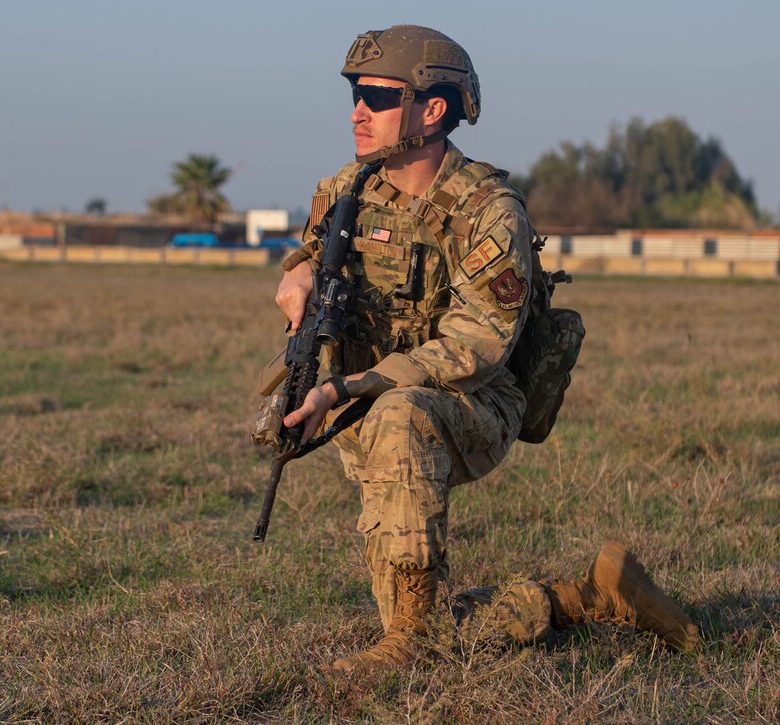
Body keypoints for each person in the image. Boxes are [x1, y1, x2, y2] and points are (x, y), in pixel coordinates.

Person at [273, 25, 698, 674]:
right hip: (364, 404)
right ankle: (591, 596)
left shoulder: (488, 210)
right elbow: (315, 249)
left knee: (402, 416)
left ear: (433, 110)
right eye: (355, 94)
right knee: (428, 622)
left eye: (378, 97)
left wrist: (348, 389)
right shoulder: (346, 191)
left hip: (470, 402)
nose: (358, 111)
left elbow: (475, 346)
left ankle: (410, 646)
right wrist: (299, 270)